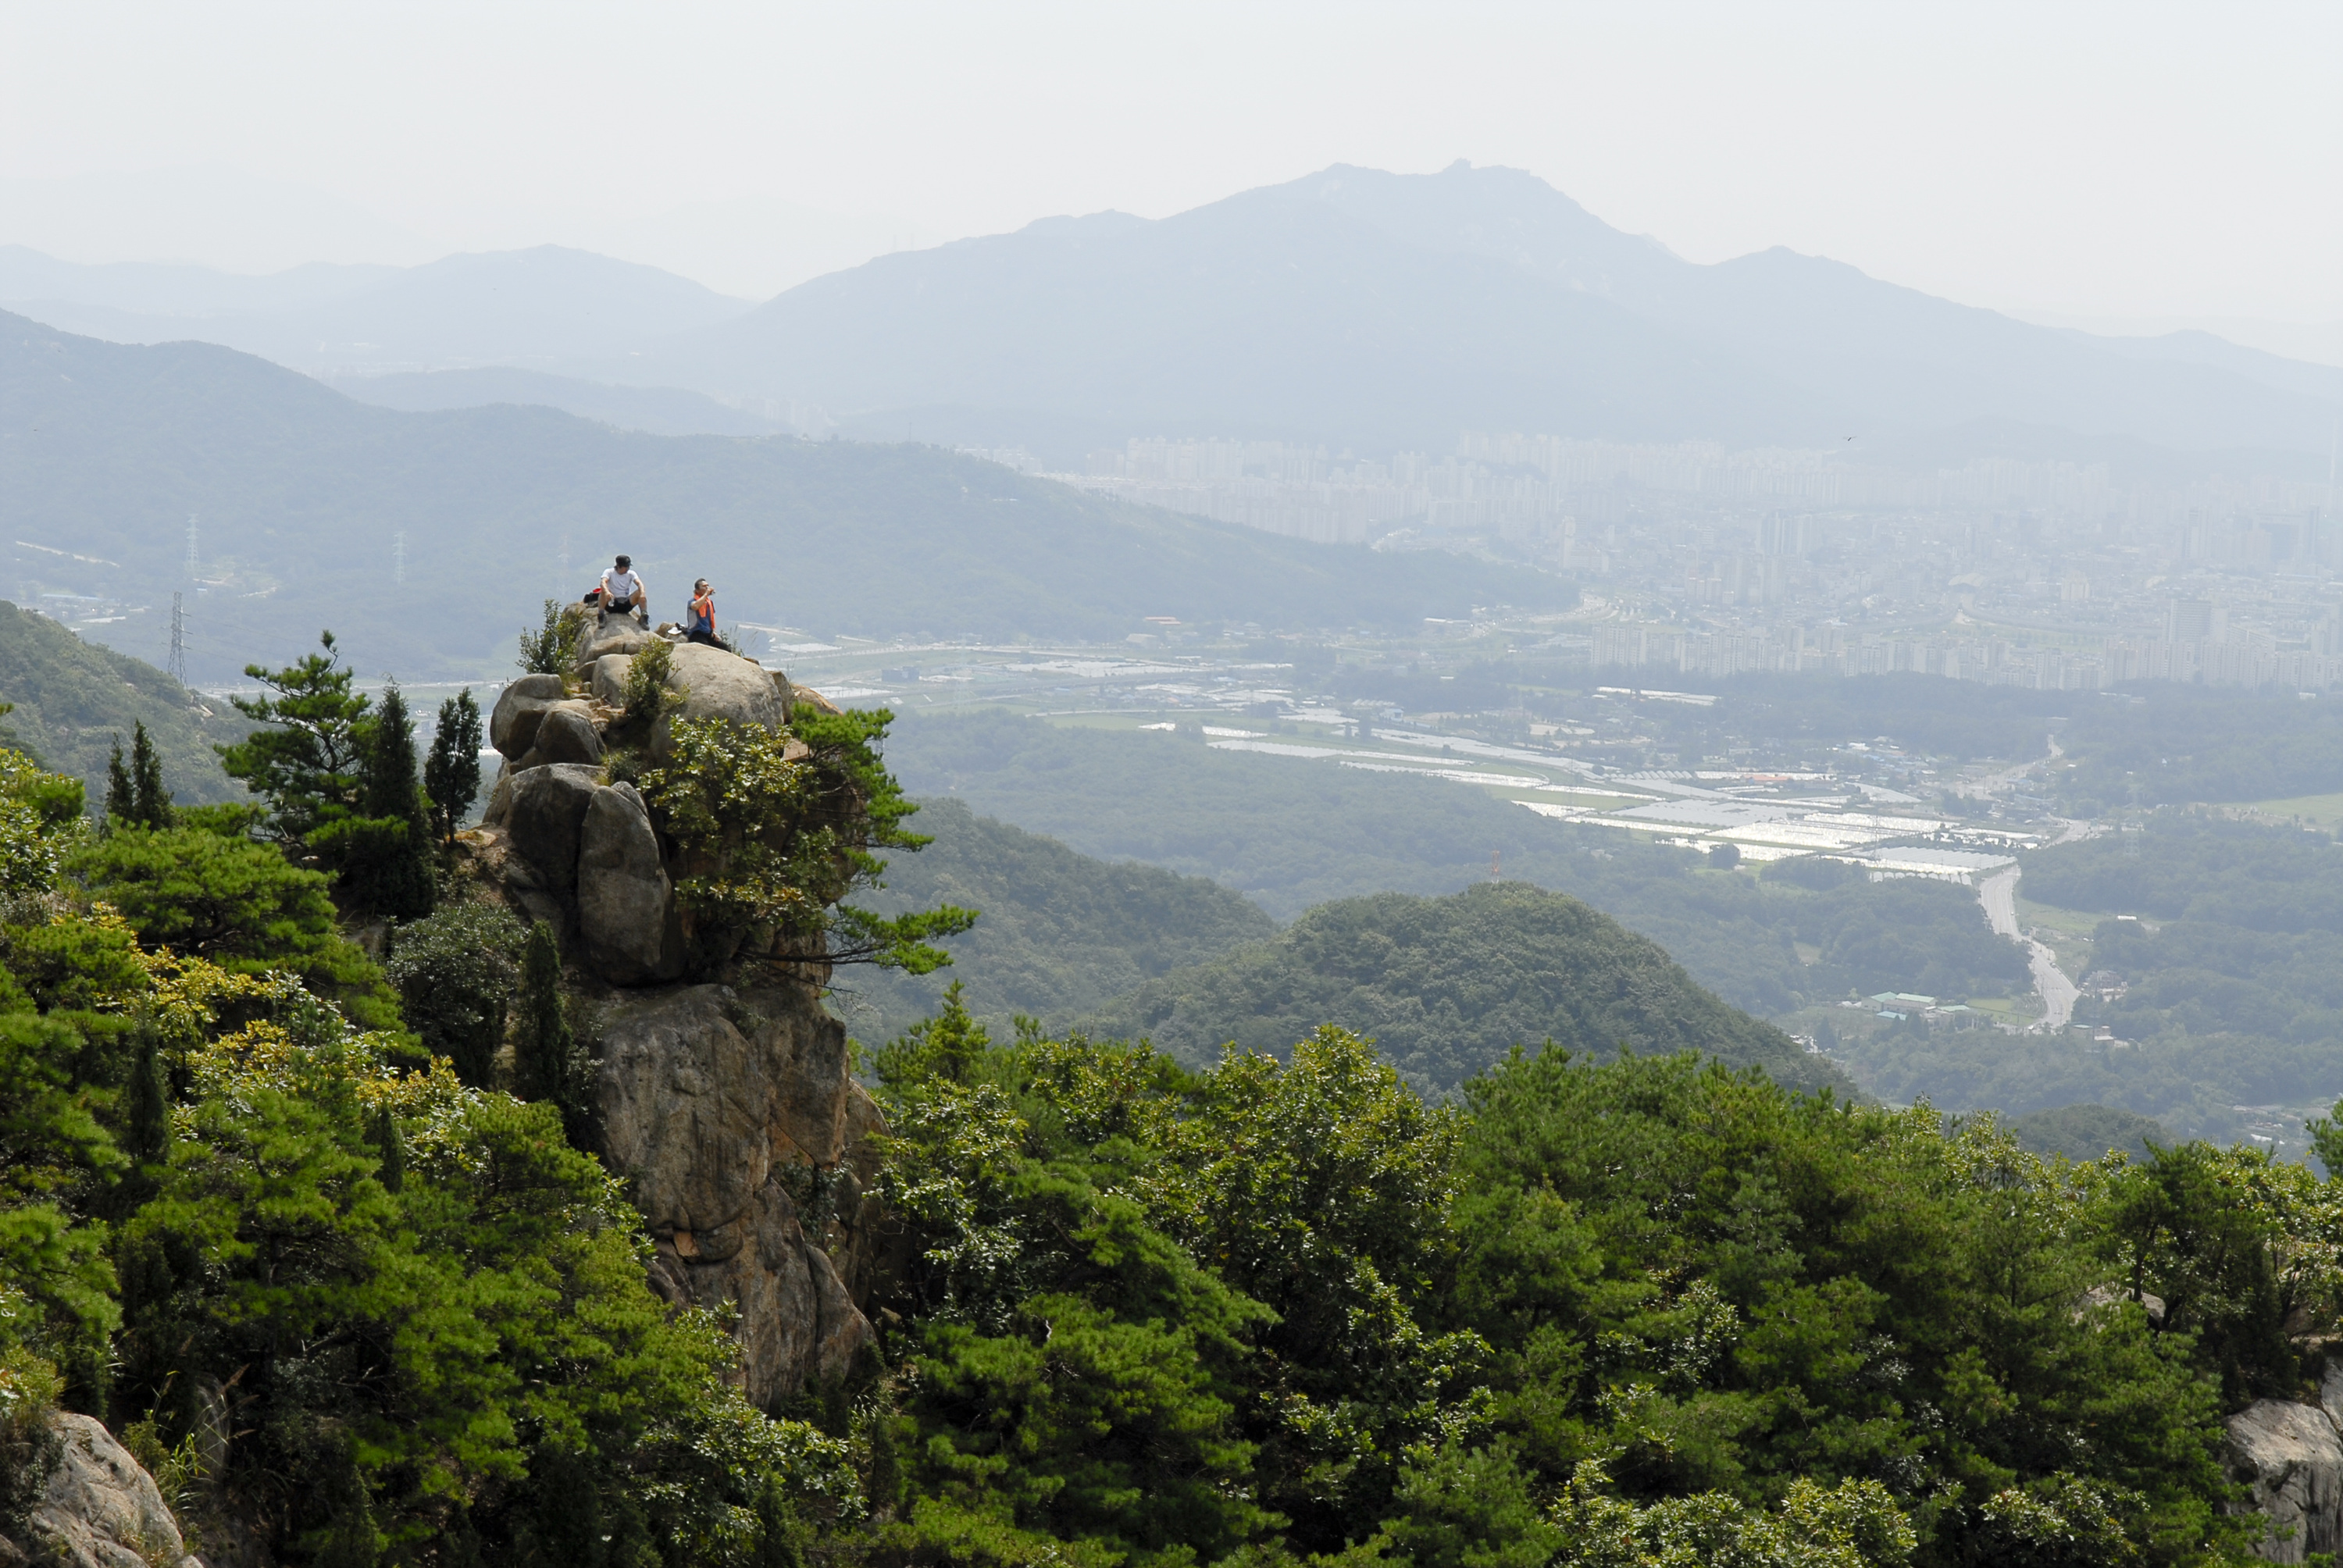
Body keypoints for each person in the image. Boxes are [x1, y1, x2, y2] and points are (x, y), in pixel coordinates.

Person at [599, 555, 647, 624]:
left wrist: (642, 593)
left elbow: (639, 583)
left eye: (628, 566)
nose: (627, 568)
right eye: (626, 566)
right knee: (602, 592)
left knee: (640, 592)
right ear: (619, 566)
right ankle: (601, 615)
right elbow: (603, 582)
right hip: (612, 602)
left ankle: (644, 616)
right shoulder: (609, 572)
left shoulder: (631, 574)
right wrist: (607, 592)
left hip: (625, 603)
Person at [685, 579, 719, 646]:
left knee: (726, 648)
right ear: (697, 590)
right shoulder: (692, 601)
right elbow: (695, 606)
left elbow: (711, 619)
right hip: (696, 632)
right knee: (705, 647)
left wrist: (714, 632)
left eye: (707, 586)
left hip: (708, 632)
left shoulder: (709, 603)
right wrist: (706, 594)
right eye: (704, 586)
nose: (707, 588)